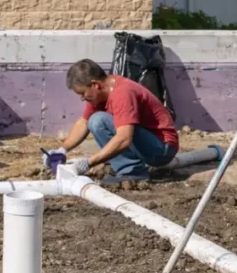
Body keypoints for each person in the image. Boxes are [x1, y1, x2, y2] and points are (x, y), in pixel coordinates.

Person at [50, 60, 180, 184]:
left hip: (161, 149)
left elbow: (124, 138)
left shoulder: (122, 93)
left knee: (98, 120)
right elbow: (83, 122)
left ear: (95, 85)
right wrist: (61, 150)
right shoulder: (99, 95)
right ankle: (127, 166)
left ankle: (132, 172)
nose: (82, 98)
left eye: (83, 93)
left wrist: (89, 163)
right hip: (147, 143)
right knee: (94, 120)